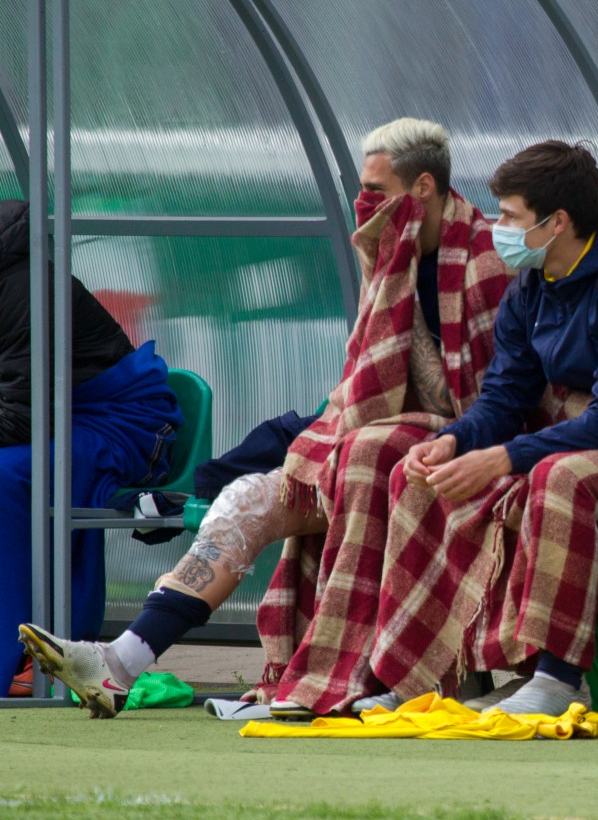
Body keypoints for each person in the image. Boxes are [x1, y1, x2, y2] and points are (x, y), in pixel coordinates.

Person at [20, 117, 511, 717]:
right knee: (244, 501)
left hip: (459, 448)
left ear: (424, 187)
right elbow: (364, 387)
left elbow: (489, 400)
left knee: (362, 456)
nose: (363, 206)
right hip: (373, 445)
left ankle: (347, 678)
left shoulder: (487, 261)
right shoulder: (390, 256)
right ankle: (119, 662)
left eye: (375, 191)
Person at [267, 140, 598, 718]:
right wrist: (453, 442)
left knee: (560, 479)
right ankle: (428, 675)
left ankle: (557, 678)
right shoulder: (532, 288)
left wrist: (504, 457)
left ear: (557, 223)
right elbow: (504, 399)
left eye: (509, 216)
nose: (497, 227)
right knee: (418, 475)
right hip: (587, 435)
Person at [2, 200, 182, 697]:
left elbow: (22, 416)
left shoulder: (24, 286)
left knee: (5, 474)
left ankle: (26, 655)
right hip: (48, 419)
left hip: (120, 422)